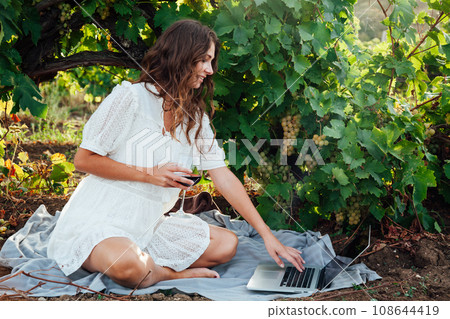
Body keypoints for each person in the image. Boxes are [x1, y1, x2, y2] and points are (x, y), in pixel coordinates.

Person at [47, 19, 305, 289]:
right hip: (101, 219)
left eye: (211, 62)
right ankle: (166, 274)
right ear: (183, 55)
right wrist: (149, 175)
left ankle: (149, 267)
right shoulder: (131, 98)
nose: (209, 70)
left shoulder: (195, 118)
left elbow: (223, 176)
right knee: (128, 264)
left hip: (148, 224)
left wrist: (267, 236)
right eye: (204, 60)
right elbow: (84, 160)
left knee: (227, 245)